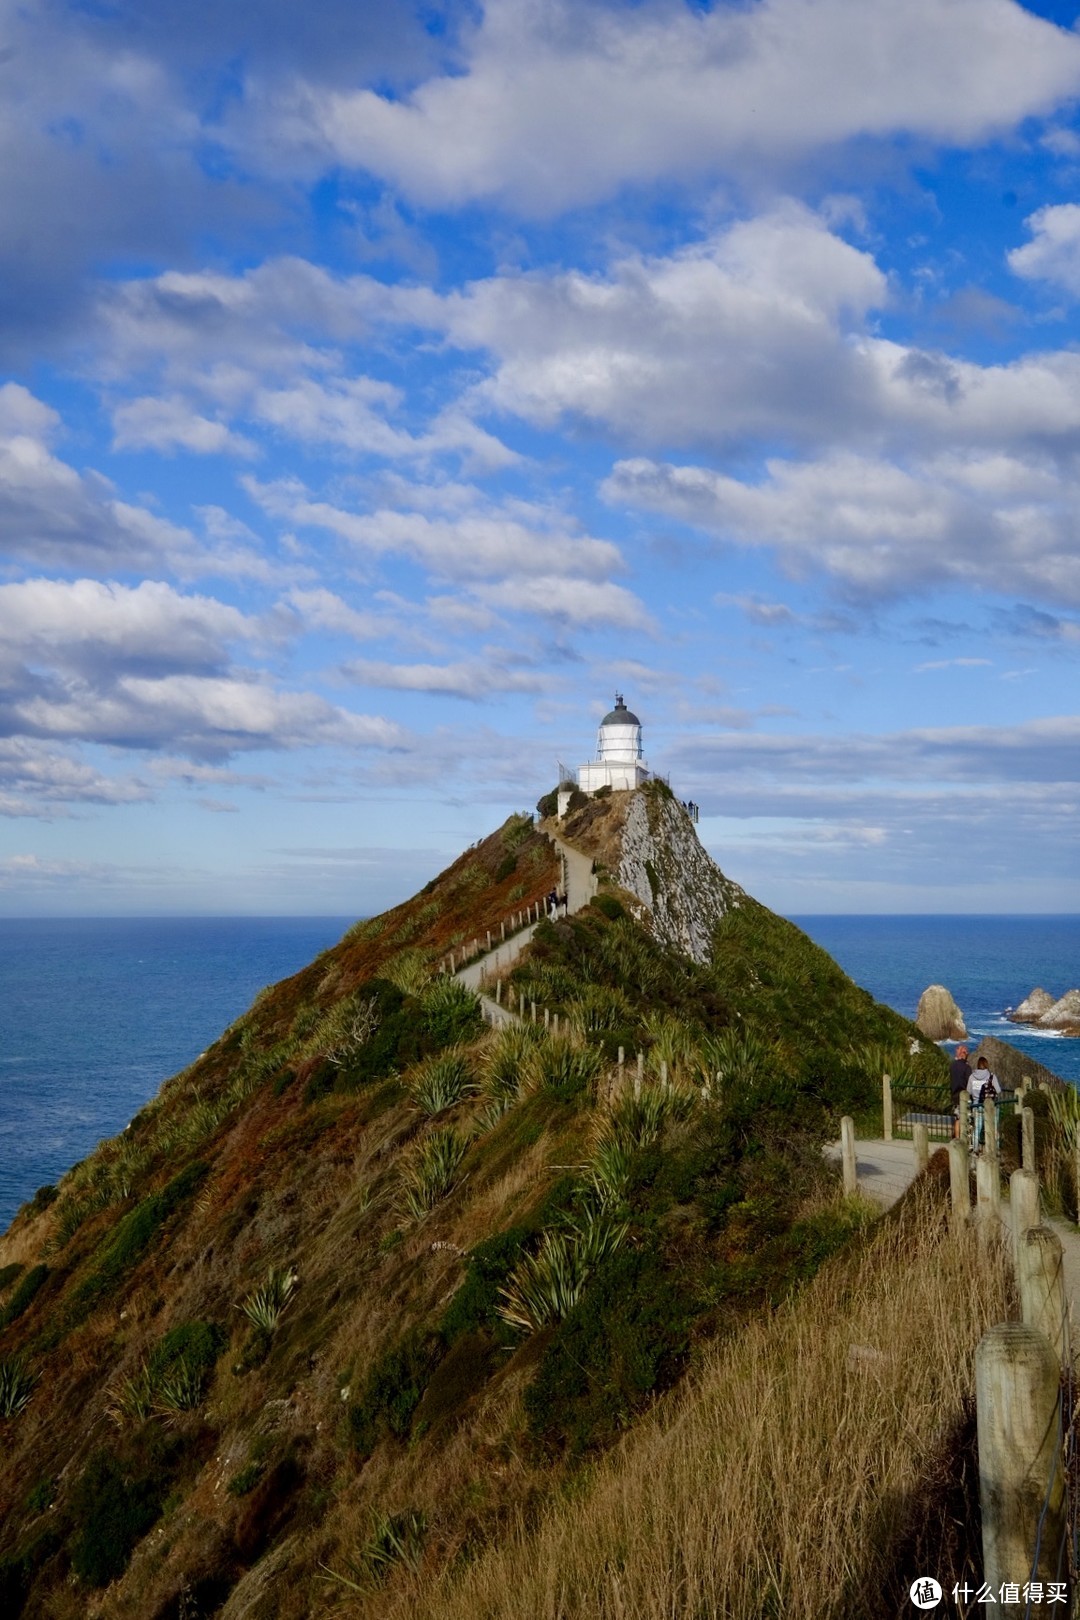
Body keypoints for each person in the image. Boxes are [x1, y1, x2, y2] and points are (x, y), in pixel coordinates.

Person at [967, 1056, 1001, 1152]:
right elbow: (998, 1090)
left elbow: (968, 1091)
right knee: (993, 1128)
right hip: (990, 1106)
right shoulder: (991, 1076)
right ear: (986, 1064)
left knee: (977, 1128)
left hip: (976, 1105)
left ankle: (976, 1149)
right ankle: (995, 1148)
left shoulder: (971, 1077)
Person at [949, 1044, 971, 1139]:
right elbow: (969, 1082)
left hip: (954, 1095)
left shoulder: (953, 1065)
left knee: (957, 1118)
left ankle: (957, 1138)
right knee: (963, 1118)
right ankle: (961, 1138)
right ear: (964, 1054)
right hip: (963, 1095)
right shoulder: (967, 1068)